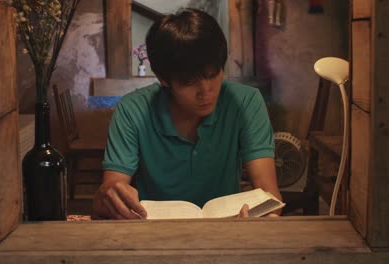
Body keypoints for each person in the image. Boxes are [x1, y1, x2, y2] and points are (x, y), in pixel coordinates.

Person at [92, 8, 282, 220]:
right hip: (154, 233)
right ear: (163, 79)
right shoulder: (132, 110)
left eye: (213, 75)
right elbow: (110, 190)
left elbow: (269, 193)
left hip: (229, 231)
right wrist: (111, 196)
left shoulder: (245, 102)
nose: (206, 91)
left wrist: (264, 216)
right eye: (190, 82)